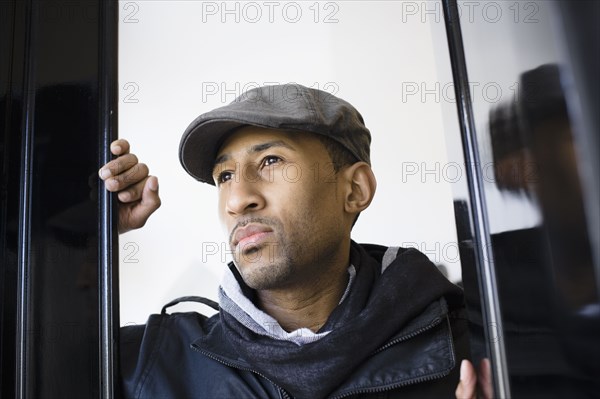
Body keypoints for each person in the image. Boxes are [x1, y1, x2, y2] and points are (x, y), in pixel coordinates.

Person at [100, 84, 486, 398]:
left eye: (270, 161)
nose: (237, 200)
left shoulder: (472, 347)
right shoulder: (149, 365)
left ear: (354, 189)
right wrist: (87, 235)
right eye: (225, 176)